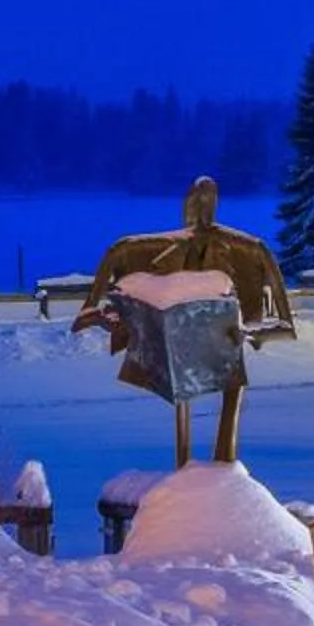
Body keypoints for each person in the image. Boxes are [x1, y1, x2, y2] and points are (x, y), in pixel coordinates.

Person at [72, 177, 295, 464]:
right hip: (199, 337)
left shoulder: (250, 250)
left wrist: (248, 333)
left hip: (220, 335)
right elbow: (284, 324)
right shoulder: (250, 249)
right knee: (210, 384)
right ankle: (212, 464)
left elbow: (285, 325)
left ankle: (219, 462)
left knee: (224, 380)